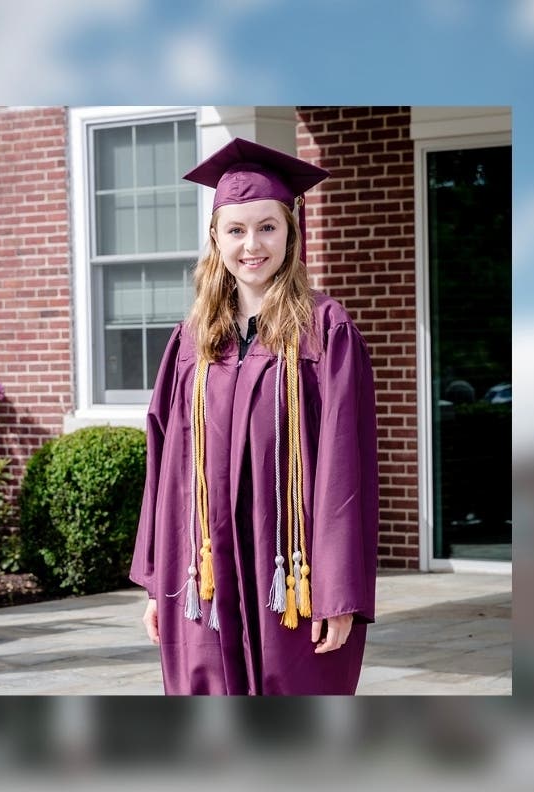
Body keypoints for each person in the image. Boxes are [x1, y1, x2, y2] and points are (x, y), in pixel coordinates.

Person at [130, 137, 378, 695]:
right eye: (236, 230)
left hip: (290, 576)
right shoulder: (192, 340)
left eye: (267, 227)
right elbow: (164, 466)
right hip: (202, 575)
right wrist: (157, 581)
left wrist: (339, 592)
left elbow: (346, 468)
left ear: (291, 233)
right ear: (215, 239)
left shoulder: (325, 330)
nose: (252, 245)